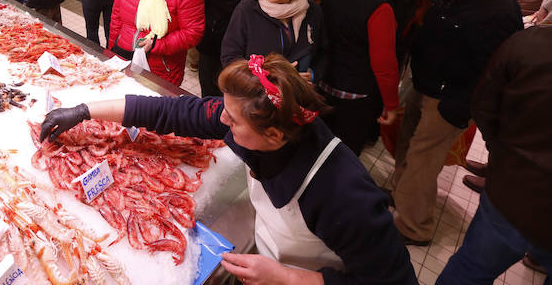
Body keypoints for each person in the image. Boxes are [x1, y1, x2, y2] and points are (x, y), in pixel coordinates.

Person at [39, 54, 417, 285]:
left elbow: (392, 281)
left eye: (233, 121)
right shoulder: (257, 123)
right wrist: (85, 111)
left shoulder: (341, 193)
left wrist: (287, 278)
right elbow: (173, 112)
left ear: (272, 135)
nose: (221, 119)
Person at [391, 0, 523, 246]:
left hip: (449, 97)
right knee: (406, 145)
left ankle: (413, 227)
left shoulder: (498, 10)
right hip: (425, 84)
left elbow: (497, 70)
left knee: (423, 162)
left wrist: (461, 105)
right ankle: (401, 201)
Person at [437, 26, 552, 283]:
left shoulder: (529, 44)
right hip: (514, 188)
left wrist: (500, 153)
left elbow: (484, 106)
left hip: (513, 191)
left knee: (471, 269)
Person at [318, 0, 400, 155]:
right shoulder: (380, 8)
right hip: (356, 94)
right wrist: (391, 104)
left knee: (321, 146)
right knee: (346, 152)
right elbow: (384, 64)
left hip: (326, 83)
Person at [221, 0, 326, 84]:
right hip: (257, 96)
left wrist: (313, 74)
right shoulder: (247, 10)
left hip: (298, 95)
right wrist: (269, 78)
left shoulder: (312, 11)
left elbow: (323, 52)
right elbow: (230, 58)